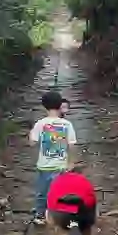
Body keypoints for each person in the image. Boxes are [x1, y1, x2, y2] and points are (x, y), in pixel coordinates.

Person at [29, 89, 76, 225]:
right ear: (60, 105)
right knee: (62, 192)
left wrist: (31, 131)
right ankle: (63, 217)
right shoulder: (67, 124)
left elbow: (32, 143)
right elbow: (72, 145)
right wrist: (71, 162)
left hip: (44, 166)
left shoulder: (40, 123)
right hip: (61, 165)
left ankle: (40, 215)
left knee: (42, 193)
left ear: (44, 106)